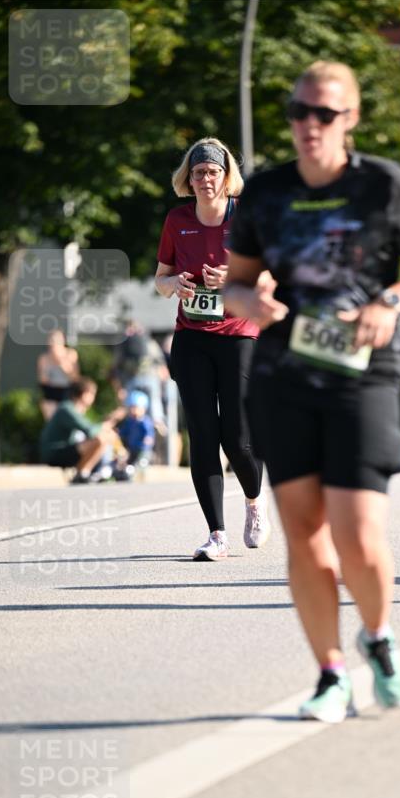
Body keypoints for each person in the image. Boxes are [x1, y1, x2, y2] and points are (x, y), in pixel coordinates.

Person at [224, 61, 400, 722]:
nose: (307, 125)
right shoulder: (265, 193)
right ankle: (330, 674)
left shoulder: (382, 186)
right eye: (297, 112)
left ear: (348, 119)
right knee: (302, 535)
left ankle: (378, 639)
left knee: (357, 535)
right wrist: (252, 301)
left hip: (363, 375)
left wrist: (392, 298)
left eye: (322, 114)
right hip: (283, 375)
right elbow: (234, 281)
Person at [154, 137, 270, 561]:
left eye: (213, 172)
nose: (206, 179)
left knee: (236, 438)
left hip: (239, 334)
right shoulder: (177, 219)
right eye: (199, 172)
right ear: (189, 177)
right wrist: (175, 285)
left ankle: (255, 504)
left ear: (226, 177)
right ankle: (216, 533)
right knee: (202, 435)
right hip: (192, 337)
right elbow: (160, 279)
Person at [40, 377, 122, 484]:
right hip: (55, 452)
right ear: (84, 394)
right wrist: (105, 425)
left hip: (69, 449)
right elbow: (90, 431)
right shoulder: (67, 409)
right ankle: (81, 474)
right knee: (100, 439)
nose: (93, 398)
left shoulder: (77, 410)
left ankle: (94, 471)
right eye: (92, 394)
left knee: (106, 437)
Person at [111, 322, 168, 431]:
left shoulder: (124, 343)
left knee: (131, 406)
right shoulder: (148, 341)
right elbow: (160, 361)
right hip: (149, 378)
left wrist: (119, 387)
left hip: (132, 379)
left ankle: (131, 426)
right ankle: (157, 422)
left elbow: (117, 365)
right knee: (154, 402)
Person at [37, 329, 80, 421]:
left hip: (67, 393)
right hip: (51, 394)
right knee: (52, 422)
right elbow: (43, 381)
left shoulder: (71, 354)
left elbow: (75, 377)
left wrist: (60, 361)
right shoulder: (44, 358)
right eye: (51, 340)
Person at [117, 389, 155, 468]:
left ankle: (142, 465)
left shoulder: (145, 422)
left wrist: (148, 438)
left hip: (142, 448)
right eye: (131, 408)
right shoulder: (129, 421)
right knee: (127, 460)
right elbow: (123, 432)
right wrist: (119, 433)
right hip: (131, 448)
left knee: (143, 458)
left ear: (143, 409)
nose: (132, 411)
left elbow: (149, 433)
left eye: (135, 408)